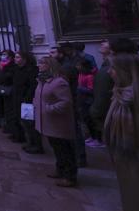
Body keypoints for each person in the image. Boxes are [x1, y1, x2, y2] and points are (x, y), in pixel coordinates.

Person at [104, 53, 139, 211]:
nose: (109, 72)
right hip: (125, 159)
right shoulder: (119, 93)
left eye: (113, 68)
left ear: (126, 71)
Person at [34, 56, 77, 187]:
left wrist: (48, 109)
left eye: (42, 63)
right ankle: (60, 170)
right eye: (39, 63)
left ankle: (70, 176)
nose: (39, 65)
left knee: (64, 149)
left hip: (57, 121)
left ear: (50, 66)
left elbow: (65, 102)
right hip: (47, 120)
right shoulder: (42, 81)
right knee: (56, 148)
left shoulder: (59, 82)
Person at [15, 51, 43, 153]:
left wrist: (27, 98)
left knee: (31, 123)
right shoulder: (18, 69)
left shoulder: (31, 70)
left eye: (18, 57)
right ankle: (30, 142)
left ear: (24, 59)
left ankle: (37, 145)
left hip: (28, 100)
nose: (15, 59)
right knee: (24, 123)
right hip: (19, 99)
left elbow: (32, 86)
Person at [89, 39, 115, 148]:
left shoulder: (112, 66)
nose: (102, 43)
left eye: (106, 42)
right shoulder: (106, 65)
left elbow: (103, 93)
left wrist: (95, 110)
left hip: (109, 110)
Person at [76, 59, 101, 148]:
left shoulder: (90, 76)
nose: (77, 67)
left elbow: (91, 89)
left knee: (90, 120)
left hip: (88, 100)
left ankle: (97, 139)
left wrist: (79, 88)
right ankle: (91, 137)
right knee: (86, 119)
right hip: (82, 100)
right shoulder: (80, 74)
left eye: (79, 65)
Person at [0, 50, 17, 134]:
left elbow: (5, 78)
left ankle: (12, 129)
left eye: (5, 55)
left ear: (10, 57)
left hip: (10, 91)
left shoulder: (11, 66)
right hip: (2, 90)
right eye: (2, 54)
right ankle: (7, 126)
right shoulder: (1, 65)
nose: (3, 56)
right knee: (5, 109)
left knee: (10, 110)